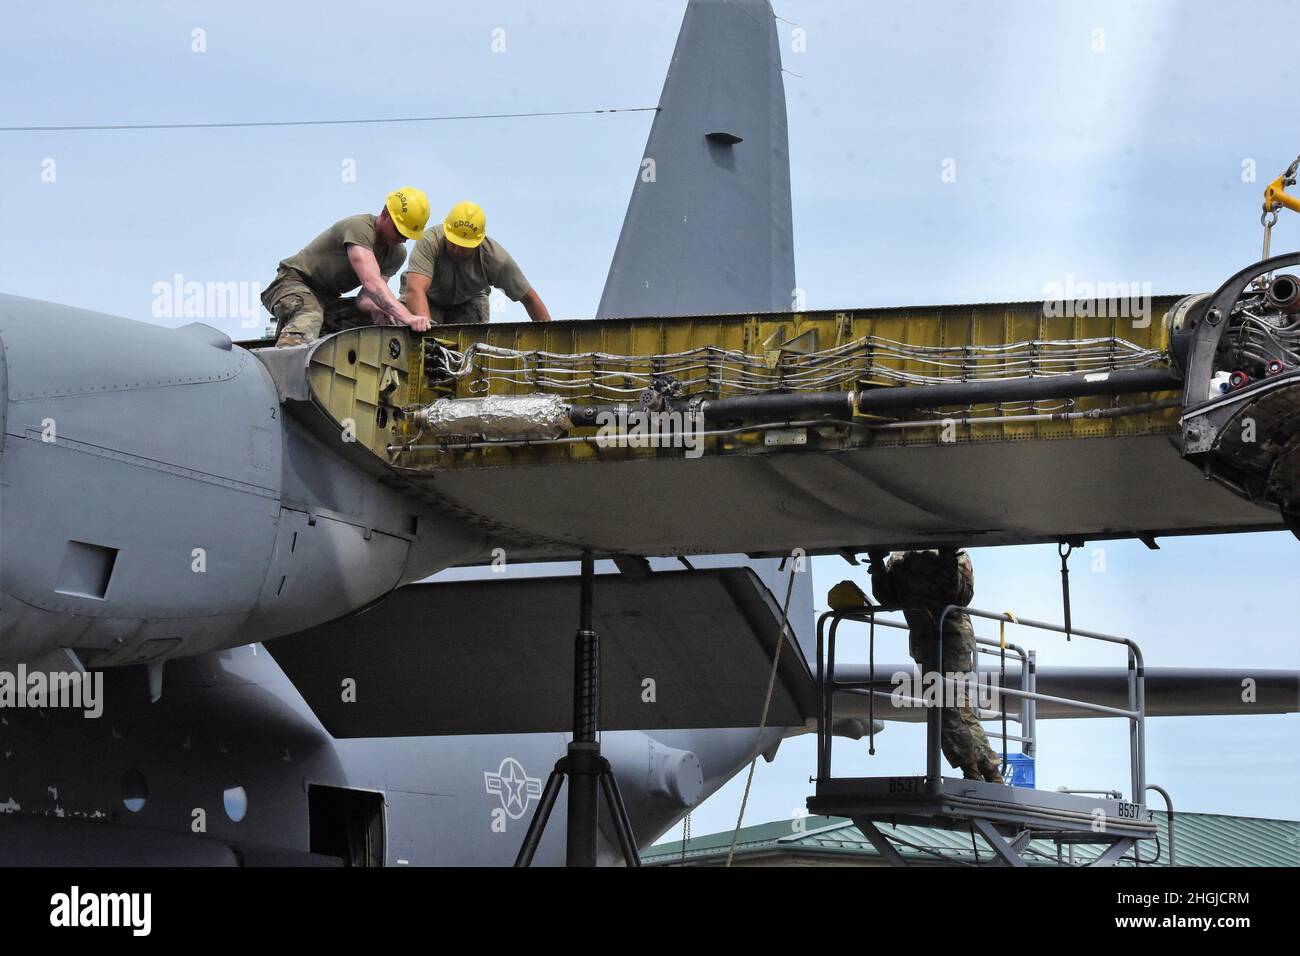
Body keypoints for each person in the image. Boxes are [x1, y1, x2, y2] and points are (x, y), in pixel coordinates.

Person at [866, 547, 1004, 784]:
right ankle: (984, 771)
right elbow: (888, 597)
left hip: (951, 641)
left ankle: (981, 772)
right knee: (952, 709)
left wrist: (946, 557)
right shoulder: (900, 558)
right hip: (926, 644)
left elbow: (960, 594)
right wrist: (877, 564)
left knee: (949, 709)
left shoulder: (955, 555)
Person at [263, 187, 433, 347]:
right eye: (399, 231)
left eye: (408, 236)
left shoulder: (396, 254)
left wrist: (383, 311)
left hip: (326, 301)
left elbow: (366, 299)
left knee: (382, 320)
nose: (403, 239)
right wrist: (408, 316)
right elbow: (372, 283)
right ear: (385, 214)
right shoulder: (359, 228)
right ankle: (287, 364)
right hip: (290, 284)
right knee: (310, 313)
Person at [400, 200, 552, 325]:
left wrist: (551, 342)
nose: (457, 250)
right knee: (401, 323)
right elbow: (415, 289)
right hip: (427, 297)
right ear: (446, 231)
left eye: (464, 246)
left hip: (469, 301)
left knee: (471, 347)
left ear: (478, 242)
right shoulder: (430, 241)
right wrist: (426, 333)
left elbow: (530, 299)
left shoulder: (495, 258)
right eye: (453, 242)